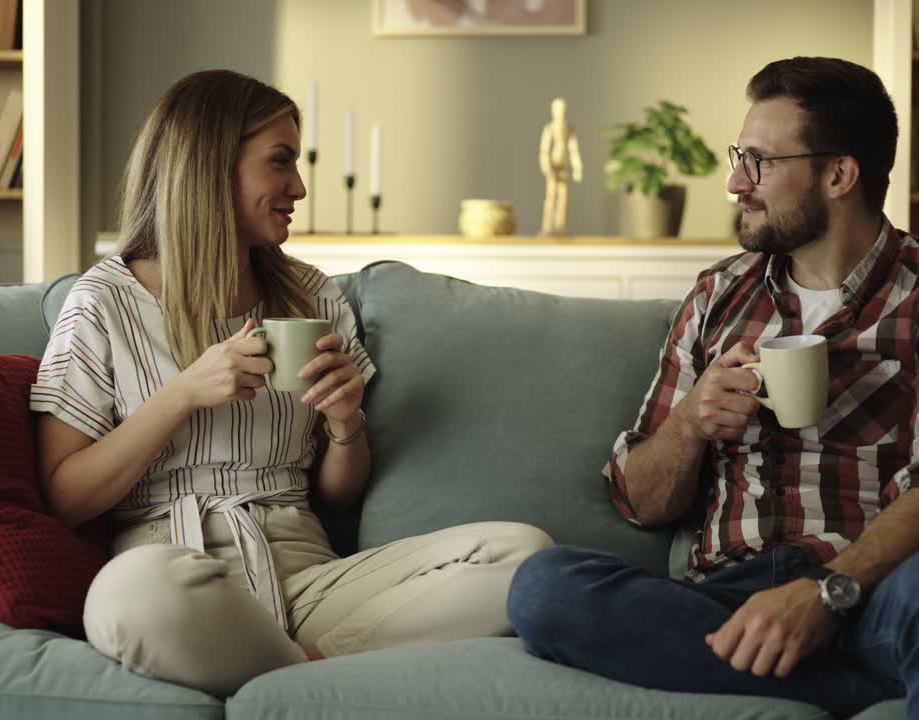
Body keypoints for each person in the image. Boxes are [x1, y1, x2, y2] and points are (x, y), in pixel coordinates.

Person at [507, 57, 919, 719]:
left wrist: (824, 592)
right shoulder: (719, 294)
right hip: (727, 600)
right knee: (545, 588)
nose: (735, 182)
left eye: (759, 162)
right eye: (739, 159)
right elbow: (639, 501)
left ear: (838, 175)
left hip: (874, 592)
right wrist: (691, 422)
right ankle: (874, 684)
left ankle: (847, 662)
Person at [30, 69, 551, 698]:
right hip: (178, 569)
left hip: (307, 576)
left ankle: (292, 670)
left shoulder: (313, 298)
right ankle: (311, 676)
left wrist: (345, 421)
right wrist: (183, 393)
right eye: (280, 161)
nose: (299, 187)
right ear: (211, 165)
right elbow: (67, 496)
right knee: (125, 596)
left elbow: (338, 495)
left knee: (523, 552)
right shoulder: (103, 303)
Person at [538, 96, 582, 235]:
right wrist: (546, 166)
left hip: (563, 166)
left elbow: (573, 150)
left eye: (563, 110)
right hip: (553, 166)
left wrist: (577, 167)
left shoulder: (569, 129)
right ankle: (547, 226)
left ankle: (560, 226)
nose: (561, 113)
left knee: (563, 197)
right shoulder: (550, 128)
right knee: (551, 196)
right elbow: (544, 150)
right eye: (558, 110)